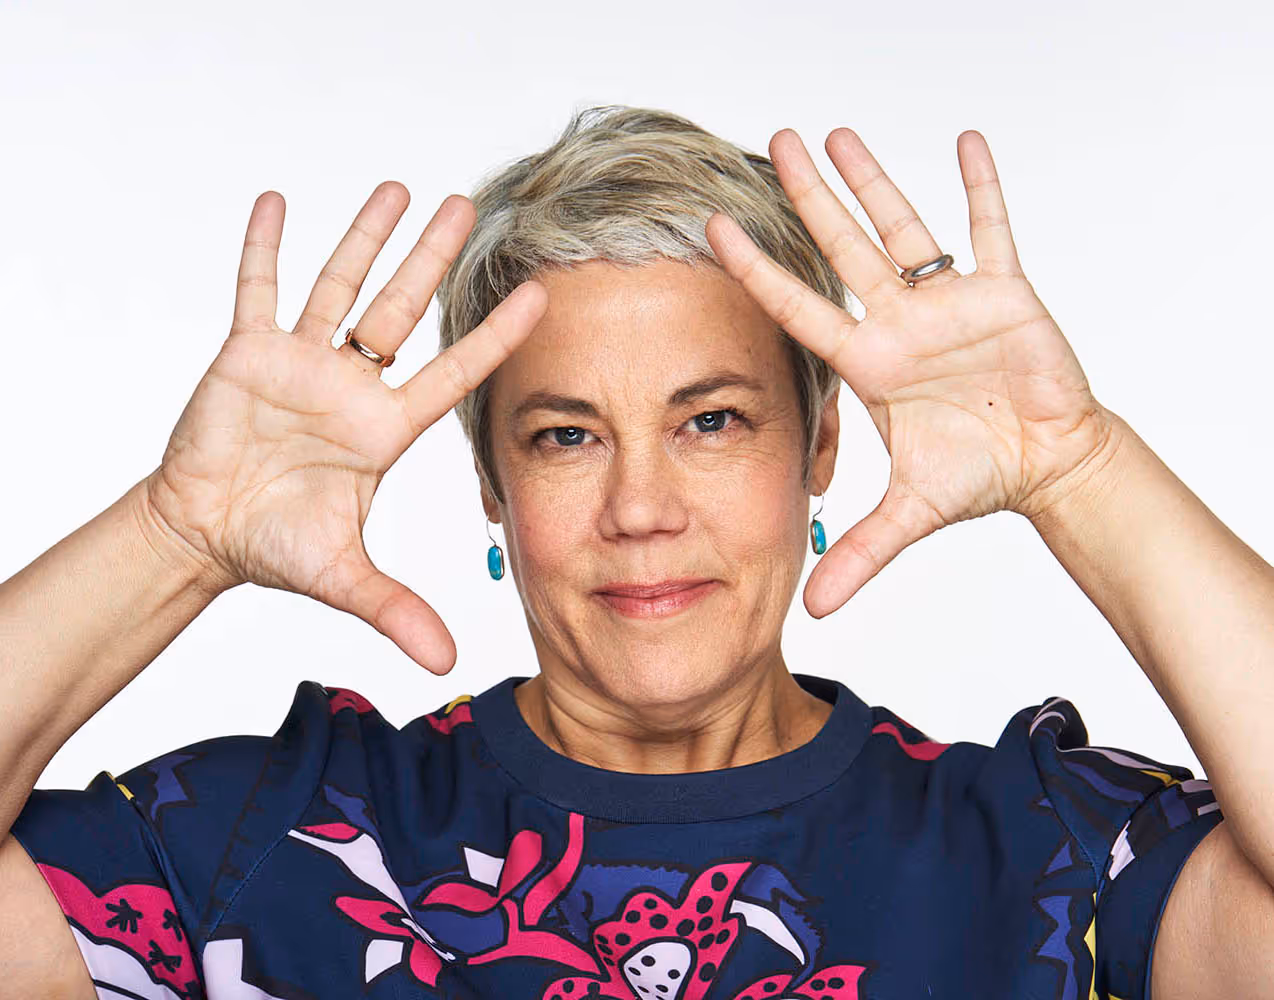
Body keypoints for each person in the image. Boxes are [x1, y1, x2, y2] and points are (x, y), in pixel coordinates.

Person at [0, 104, 1269, 1000]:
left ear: (819, 445)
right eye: (564, 437)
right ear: (492, 484)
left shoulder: (1047, 853)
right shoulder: (276, 840)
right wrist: (176, 532)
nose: (640, 507)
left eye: (710, 420)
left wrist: (1076, 466)